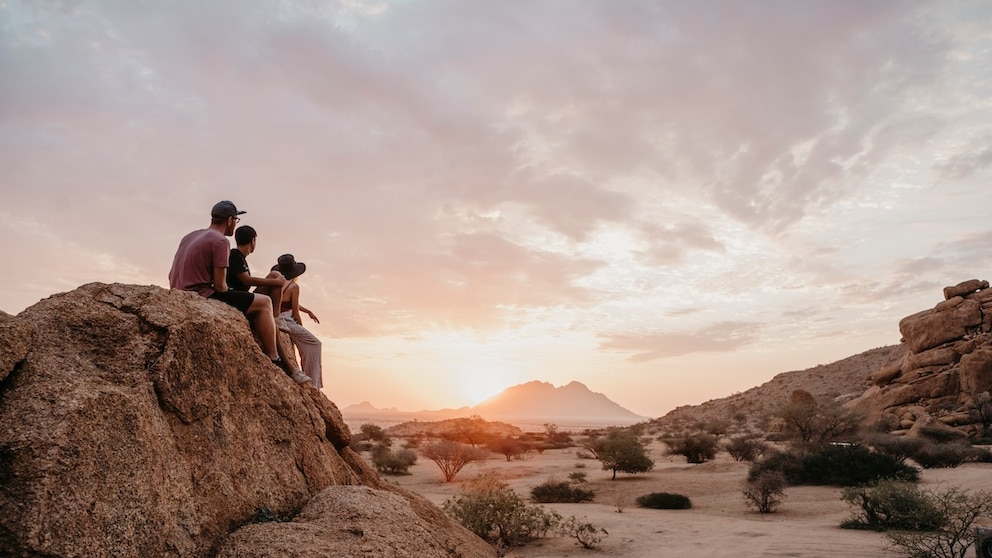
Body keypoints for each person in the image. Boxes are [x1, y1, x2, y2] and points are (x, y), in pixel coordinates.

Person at [168, 200, 310, 385]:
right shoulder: (220, 241)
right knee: (264, 302)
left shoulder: (190, 236)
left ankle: (280, 356)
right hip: (200, 293)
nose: (235, 224)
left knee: (256, 302)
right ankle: (274, 358)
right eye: (236, 220)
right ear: (229, 220)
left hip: (178, 291)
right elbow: (220, 287)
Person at [267, 254, 323, 389]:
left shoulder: (275, 281)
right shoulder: (294, 287)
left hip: (273, 314)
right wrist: (300, 326)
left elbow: (285, 303)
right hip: (286, 319)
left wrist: (307, 310)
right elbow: (295, 313)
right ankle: (314, 382)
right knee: (315, 343)